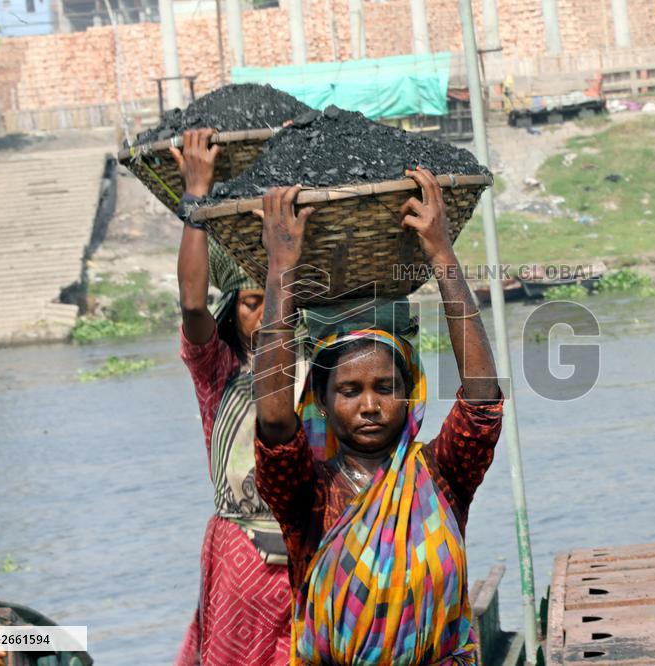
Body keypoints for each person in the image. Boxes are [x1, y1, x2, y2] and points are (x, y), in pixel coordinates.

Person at [252, 168, 505, 665]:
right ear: (320, 402)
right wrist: (281, 271)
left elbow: (481, 402)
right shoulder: (308, 494)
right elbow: (277, 427)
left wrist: (441, 255)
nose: (369, 405)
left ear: (409, 393)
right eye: (349, 390)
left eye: (385, 387)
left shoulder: (440, 474)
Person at [171, 129, 293, 665]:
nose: (264, 315)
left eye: (274, 301)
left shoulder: (324, 370)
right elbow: (193, 306)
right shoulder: (218, 374)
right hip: (242, 564)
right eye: (250, 302)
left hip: (311, 562)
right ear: (232, 312)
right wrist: (197, 197)